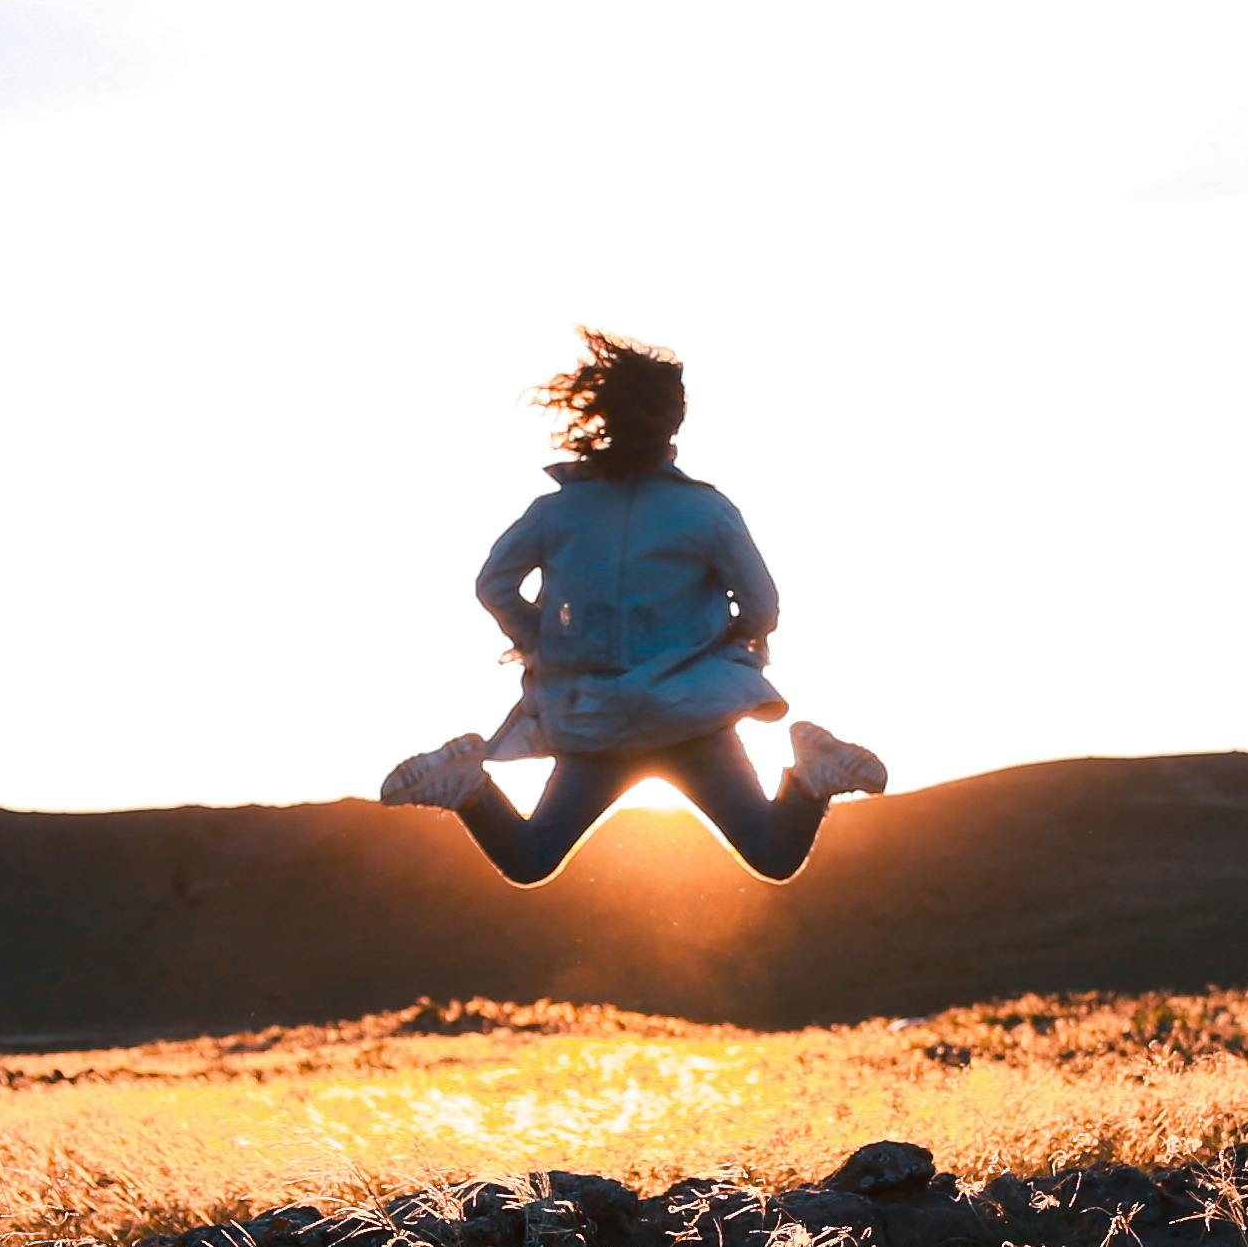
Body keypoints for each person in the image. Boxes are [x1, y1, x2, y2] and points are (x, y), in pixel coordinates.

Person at [378, 330, 887, 885]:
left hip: (595, 718)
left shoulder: (556, 511)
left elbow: (493, 585)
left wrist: (539, 639)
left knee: (530, 859)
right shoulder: (706, 510)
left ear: (604, 415)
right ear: (675, 421)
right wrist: (730, 643)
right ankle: (811, 778)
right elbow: (763, 606)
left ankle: (468, 787)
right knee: (773, 854)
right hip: (691, 714)